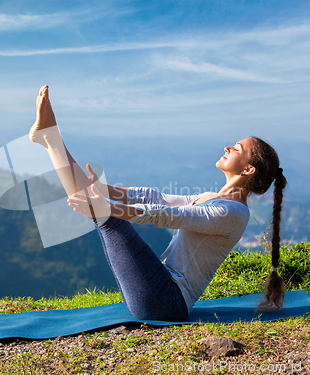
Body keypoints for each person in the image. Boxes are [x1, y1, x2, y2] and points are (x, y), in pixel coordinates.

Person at [29, 85, 287, 321]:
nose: (228, 147)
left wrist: (110, 208)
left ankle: (51, 140)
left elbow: (166, 215)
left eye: (238, 149)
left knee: (106, 216)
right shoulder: (215, 199)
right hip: (160, 290)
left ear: (248, 170)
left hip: (166, 302)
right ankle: (50, 140)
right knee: (100, 208)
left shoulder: (232, 213)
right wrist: (102, 189)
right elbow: (157, 199)